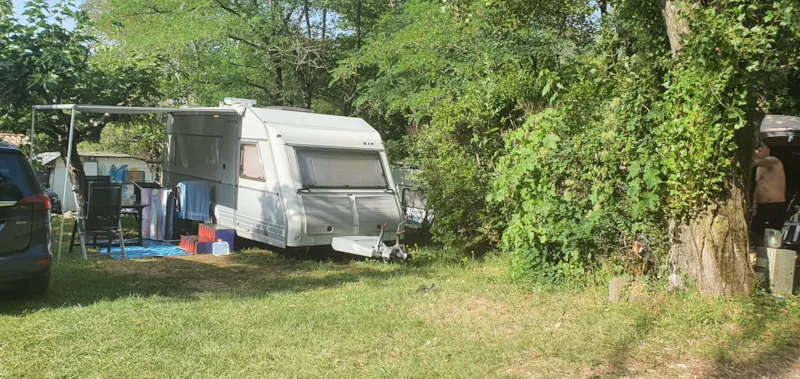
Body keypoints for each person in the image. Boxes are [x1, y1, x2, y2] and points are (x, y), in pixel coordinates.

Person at [751, 142, 788, 244]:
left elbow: (754, 162)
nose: (757, 153)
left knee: (773, 238)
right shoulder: (759, 169)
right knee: (755, 233)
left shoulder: (774, 161)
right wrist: (754, 205)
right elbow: (758, 186)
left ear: (767, 151)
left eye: (760, 150)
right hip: (761, 207)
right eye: (756, 150)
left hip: (774, 205)